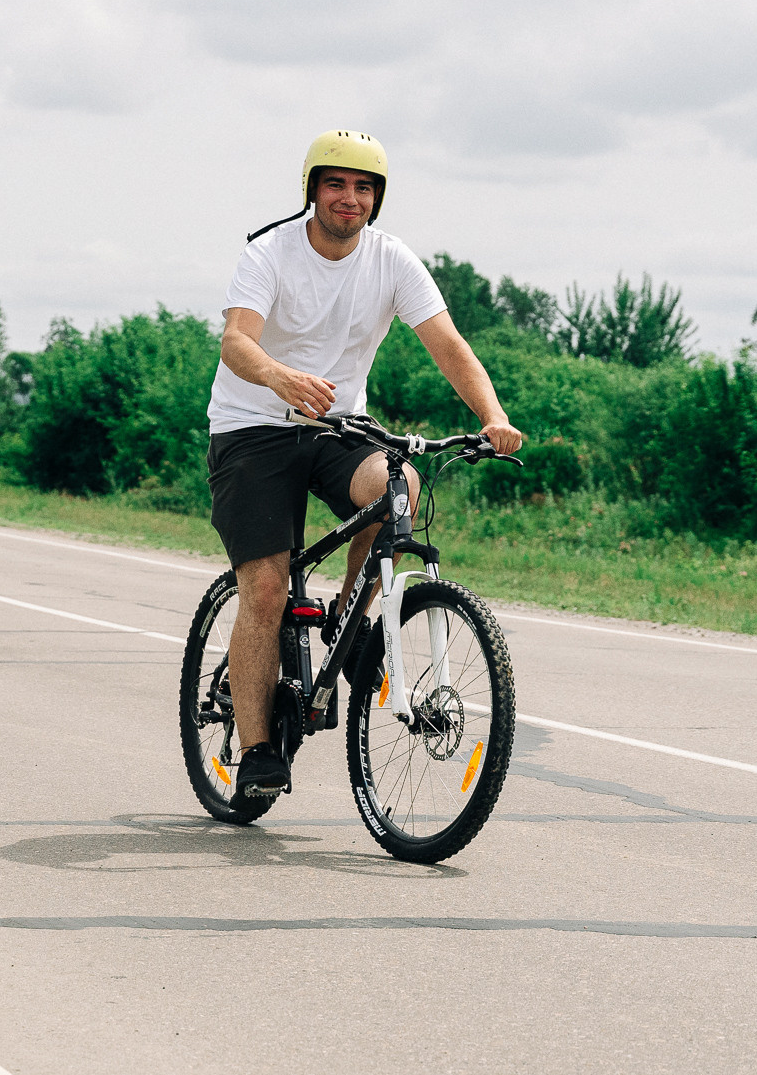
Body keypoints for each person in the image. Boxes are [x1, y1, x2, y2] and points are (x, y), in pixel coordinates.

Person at [206, 130, 524, 800]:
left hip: (337, 426)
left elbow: (449, 345)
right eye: (336, 184)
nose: (349, 198)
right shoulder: (270, 252)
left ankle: (350, 624)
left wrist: (492, 416)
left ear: (377, 198)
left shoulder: (391, 259)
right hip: (253, 428)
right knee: (266, 589)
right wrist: (280, 378)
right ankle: (258, 749)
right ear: (312, 189)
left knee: (399, 484)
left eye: (363, 187)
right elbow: (237, 341)